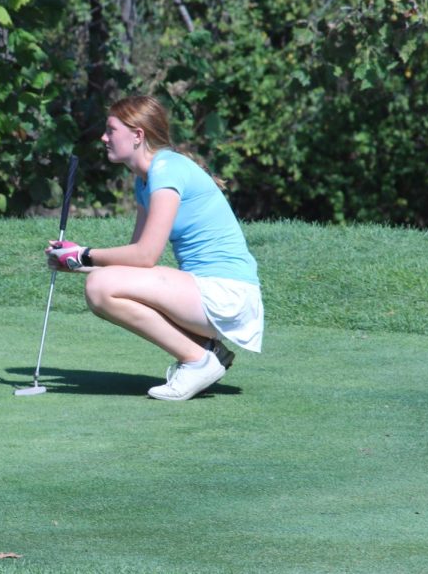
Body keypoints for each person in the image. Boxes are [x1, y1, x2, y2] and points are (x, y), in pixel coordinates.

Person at [45, 95, 264, 400]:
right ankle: (206, 352)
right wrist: (74, 261)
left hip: (228, 295)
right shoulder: (145, 180)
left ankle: (199, 360)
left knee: (99, 287)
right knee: (99, 284)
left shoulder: (166, 169)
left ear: (138, 135)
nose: (104, 137)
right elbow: (136, 258)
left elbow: (146, 256)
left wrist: (84, 253)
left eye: (111, 130)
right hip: (205, 294)